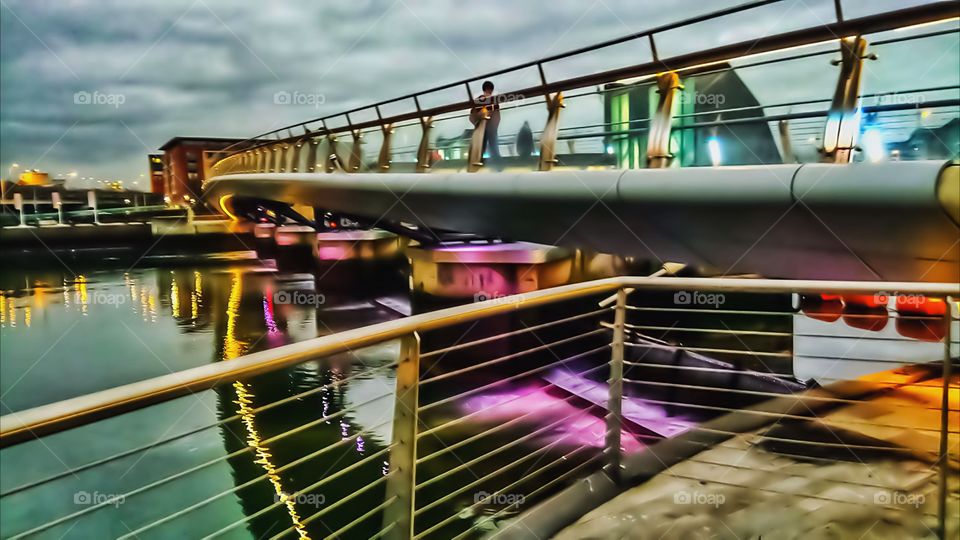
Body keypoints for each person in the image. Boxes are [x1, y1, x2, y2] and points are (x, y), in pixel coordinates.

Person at [470, 80, 501, 169]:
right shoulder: (493, 101)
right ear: (491, 90)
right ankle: (497, 167)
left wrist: (477, 123)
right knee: (494, 147)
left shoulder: (478, 100)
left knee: (480, 148)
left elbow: (472, 116)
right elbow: (497, 116)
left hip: (481, 129)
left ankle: (477, 166)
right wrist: (494, 127)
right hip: (491, 128)